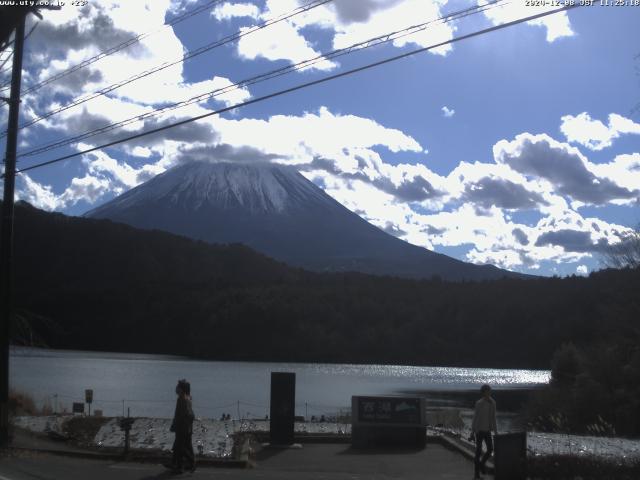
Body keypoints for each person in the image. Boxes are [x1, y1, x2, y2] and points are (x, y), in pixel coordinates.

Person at [165, 379, 195, 473]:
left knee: (181, 447)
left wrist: (177, 425)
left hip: (183, 428)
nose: (176, 388)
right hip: (186, 427)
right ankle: (178, 464)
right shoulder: (187, 398)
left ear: (181, 389)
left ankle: (185, 465)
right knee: (182, 446)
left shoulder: (182, 399)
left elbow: (183, 414)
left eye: (178, 387)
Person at [470, 384, 497, 479]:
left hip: (487, 430)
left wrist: (496, 432)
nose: (489, 393)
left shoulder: (493, 403)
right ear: (483, 392)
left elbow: (494, 418)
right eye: (487, 391)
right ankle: (476, 473)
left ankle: (482, 463)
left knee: (490, 449)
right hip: (479, 430)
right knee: (478, 451)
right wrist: (472, 432)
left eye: (489, 391)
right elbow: (475, 418)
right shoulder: (479, 403)